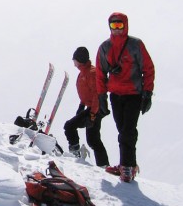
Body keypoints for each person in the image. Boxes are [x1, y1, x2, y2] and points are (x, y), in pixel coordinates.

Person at [95, 12, 155, 183]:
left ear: (126, 25)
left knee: (127, 131)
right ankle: (127, 164)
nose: (116, 29)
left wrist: (147, 92)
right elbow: (100, 73)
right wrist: (102, 96)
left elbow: (148, 69)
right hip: (115, 95)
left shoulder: (136, 45)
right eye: (113, 26)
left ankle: (127, 168)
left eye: (119, 25)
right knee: (123, 130)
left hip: (134, 95)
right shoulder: (105, 47)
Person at [63, 46, 110, 167]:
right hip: (91, 108)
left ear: (79, 60)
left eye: (75, 61)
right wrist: (81, 106)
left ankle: (76, 154)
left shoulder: (91, 73)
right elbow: (86, 93)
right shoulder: (84, 73)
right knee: (93, 139)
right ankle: (104, 165)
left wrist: (93, 114)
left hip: (95, 109)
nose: (74, 64)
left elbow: (96, 95)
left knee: (70, 126)